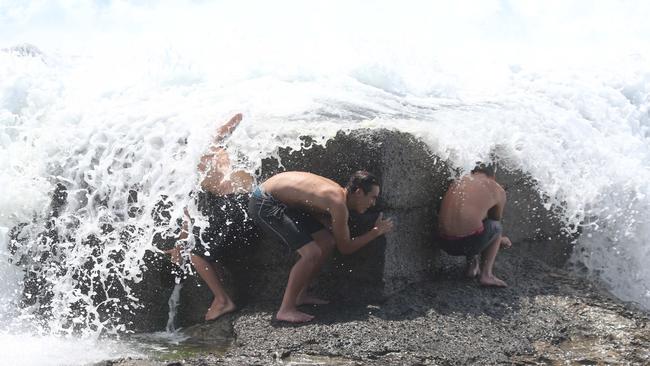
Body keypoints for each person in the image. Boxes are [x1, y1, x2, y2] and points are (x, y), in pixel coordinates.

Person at [249, 171, 394, 323]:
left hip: (286, 203)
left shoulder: (338, 196)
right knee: (311, 253)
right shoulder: (337, 203)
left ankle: (301, 295)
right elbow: (345, 248)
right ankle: (286, 309)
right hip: (265, 201)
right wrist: (376, 232)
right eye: (373, 197)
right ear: (358, 192)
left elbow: (306, 201)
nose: (374, 203)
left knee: (326, 242)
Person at [165, 113, 256, 321]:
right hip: (251, 206)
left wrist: (179, 245)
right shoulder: (216, 147)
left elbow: (188, 212)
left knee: (196, 253)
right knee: (210, 244)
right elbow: (230, 124)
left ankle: (222, 300)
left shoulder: (194, 162)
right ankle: (223, 288)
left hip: (233, 206)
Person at [437, 163, 512, 287]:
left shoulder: (460, 180)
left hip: (443, 242)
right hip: (466, 243)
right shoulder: (496, 187)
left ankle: (472, 267)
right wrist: (500, 240)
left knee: (475, 223)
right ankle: (487, 275)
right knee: (495, 227)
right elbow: (495, 219)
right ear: (493, 176)